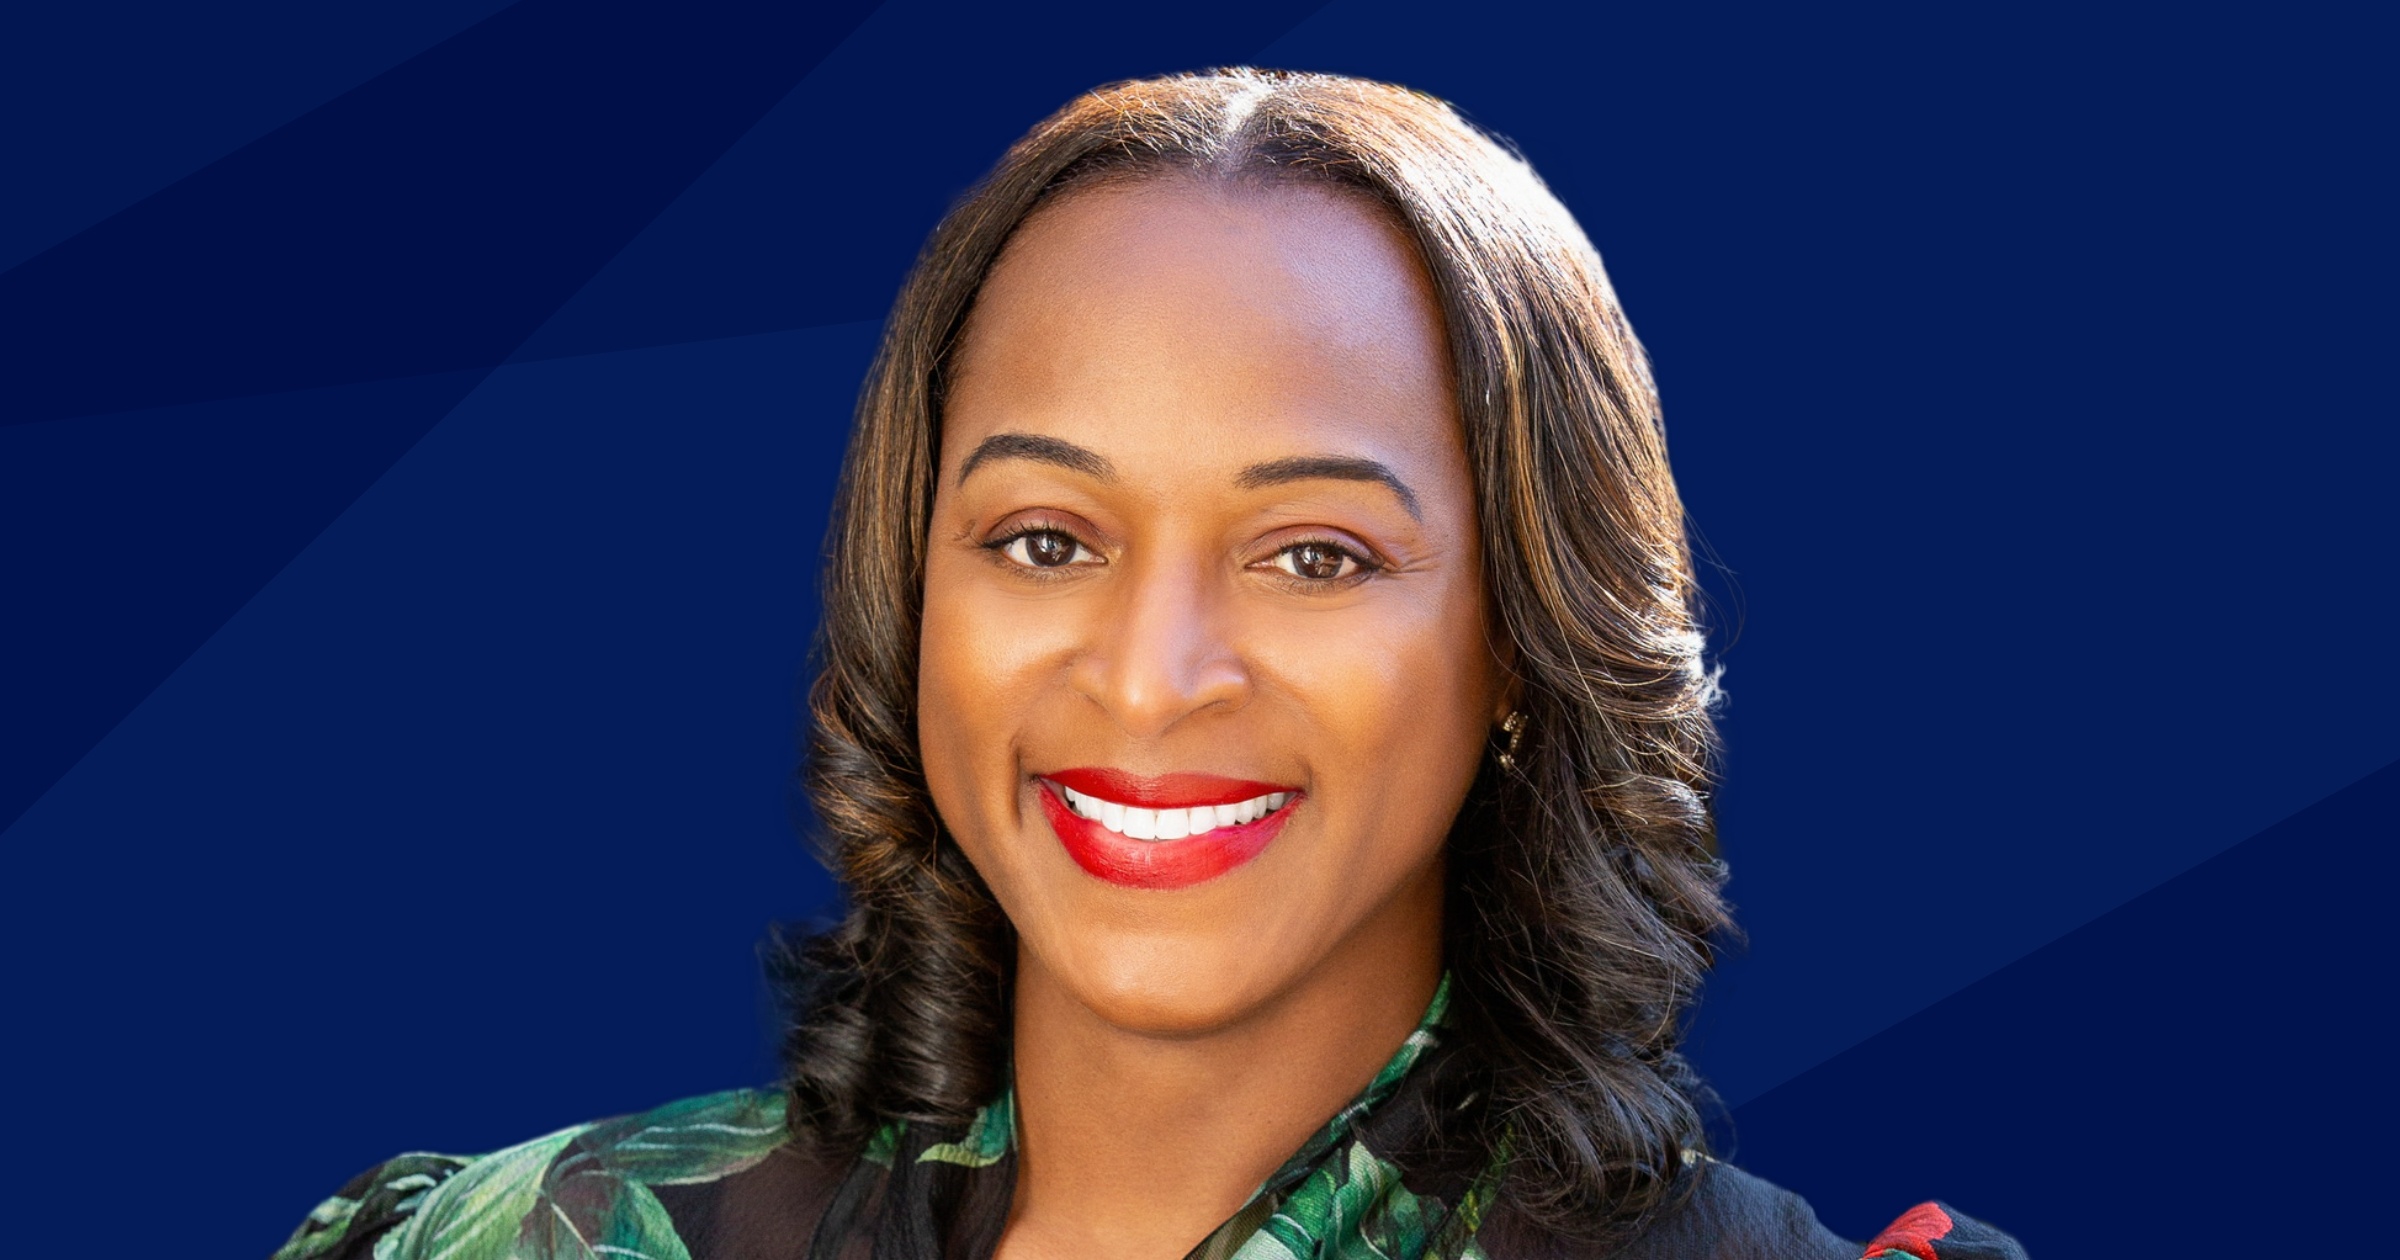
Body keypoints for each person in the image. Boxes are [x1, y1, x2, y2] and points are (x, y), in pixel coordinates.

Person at [273, 69, 2026, 1260]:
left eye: (1315, 556)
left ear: (1519, 644)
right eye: (1047, 539)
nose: (1150, 675)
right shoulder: (535, 1241)